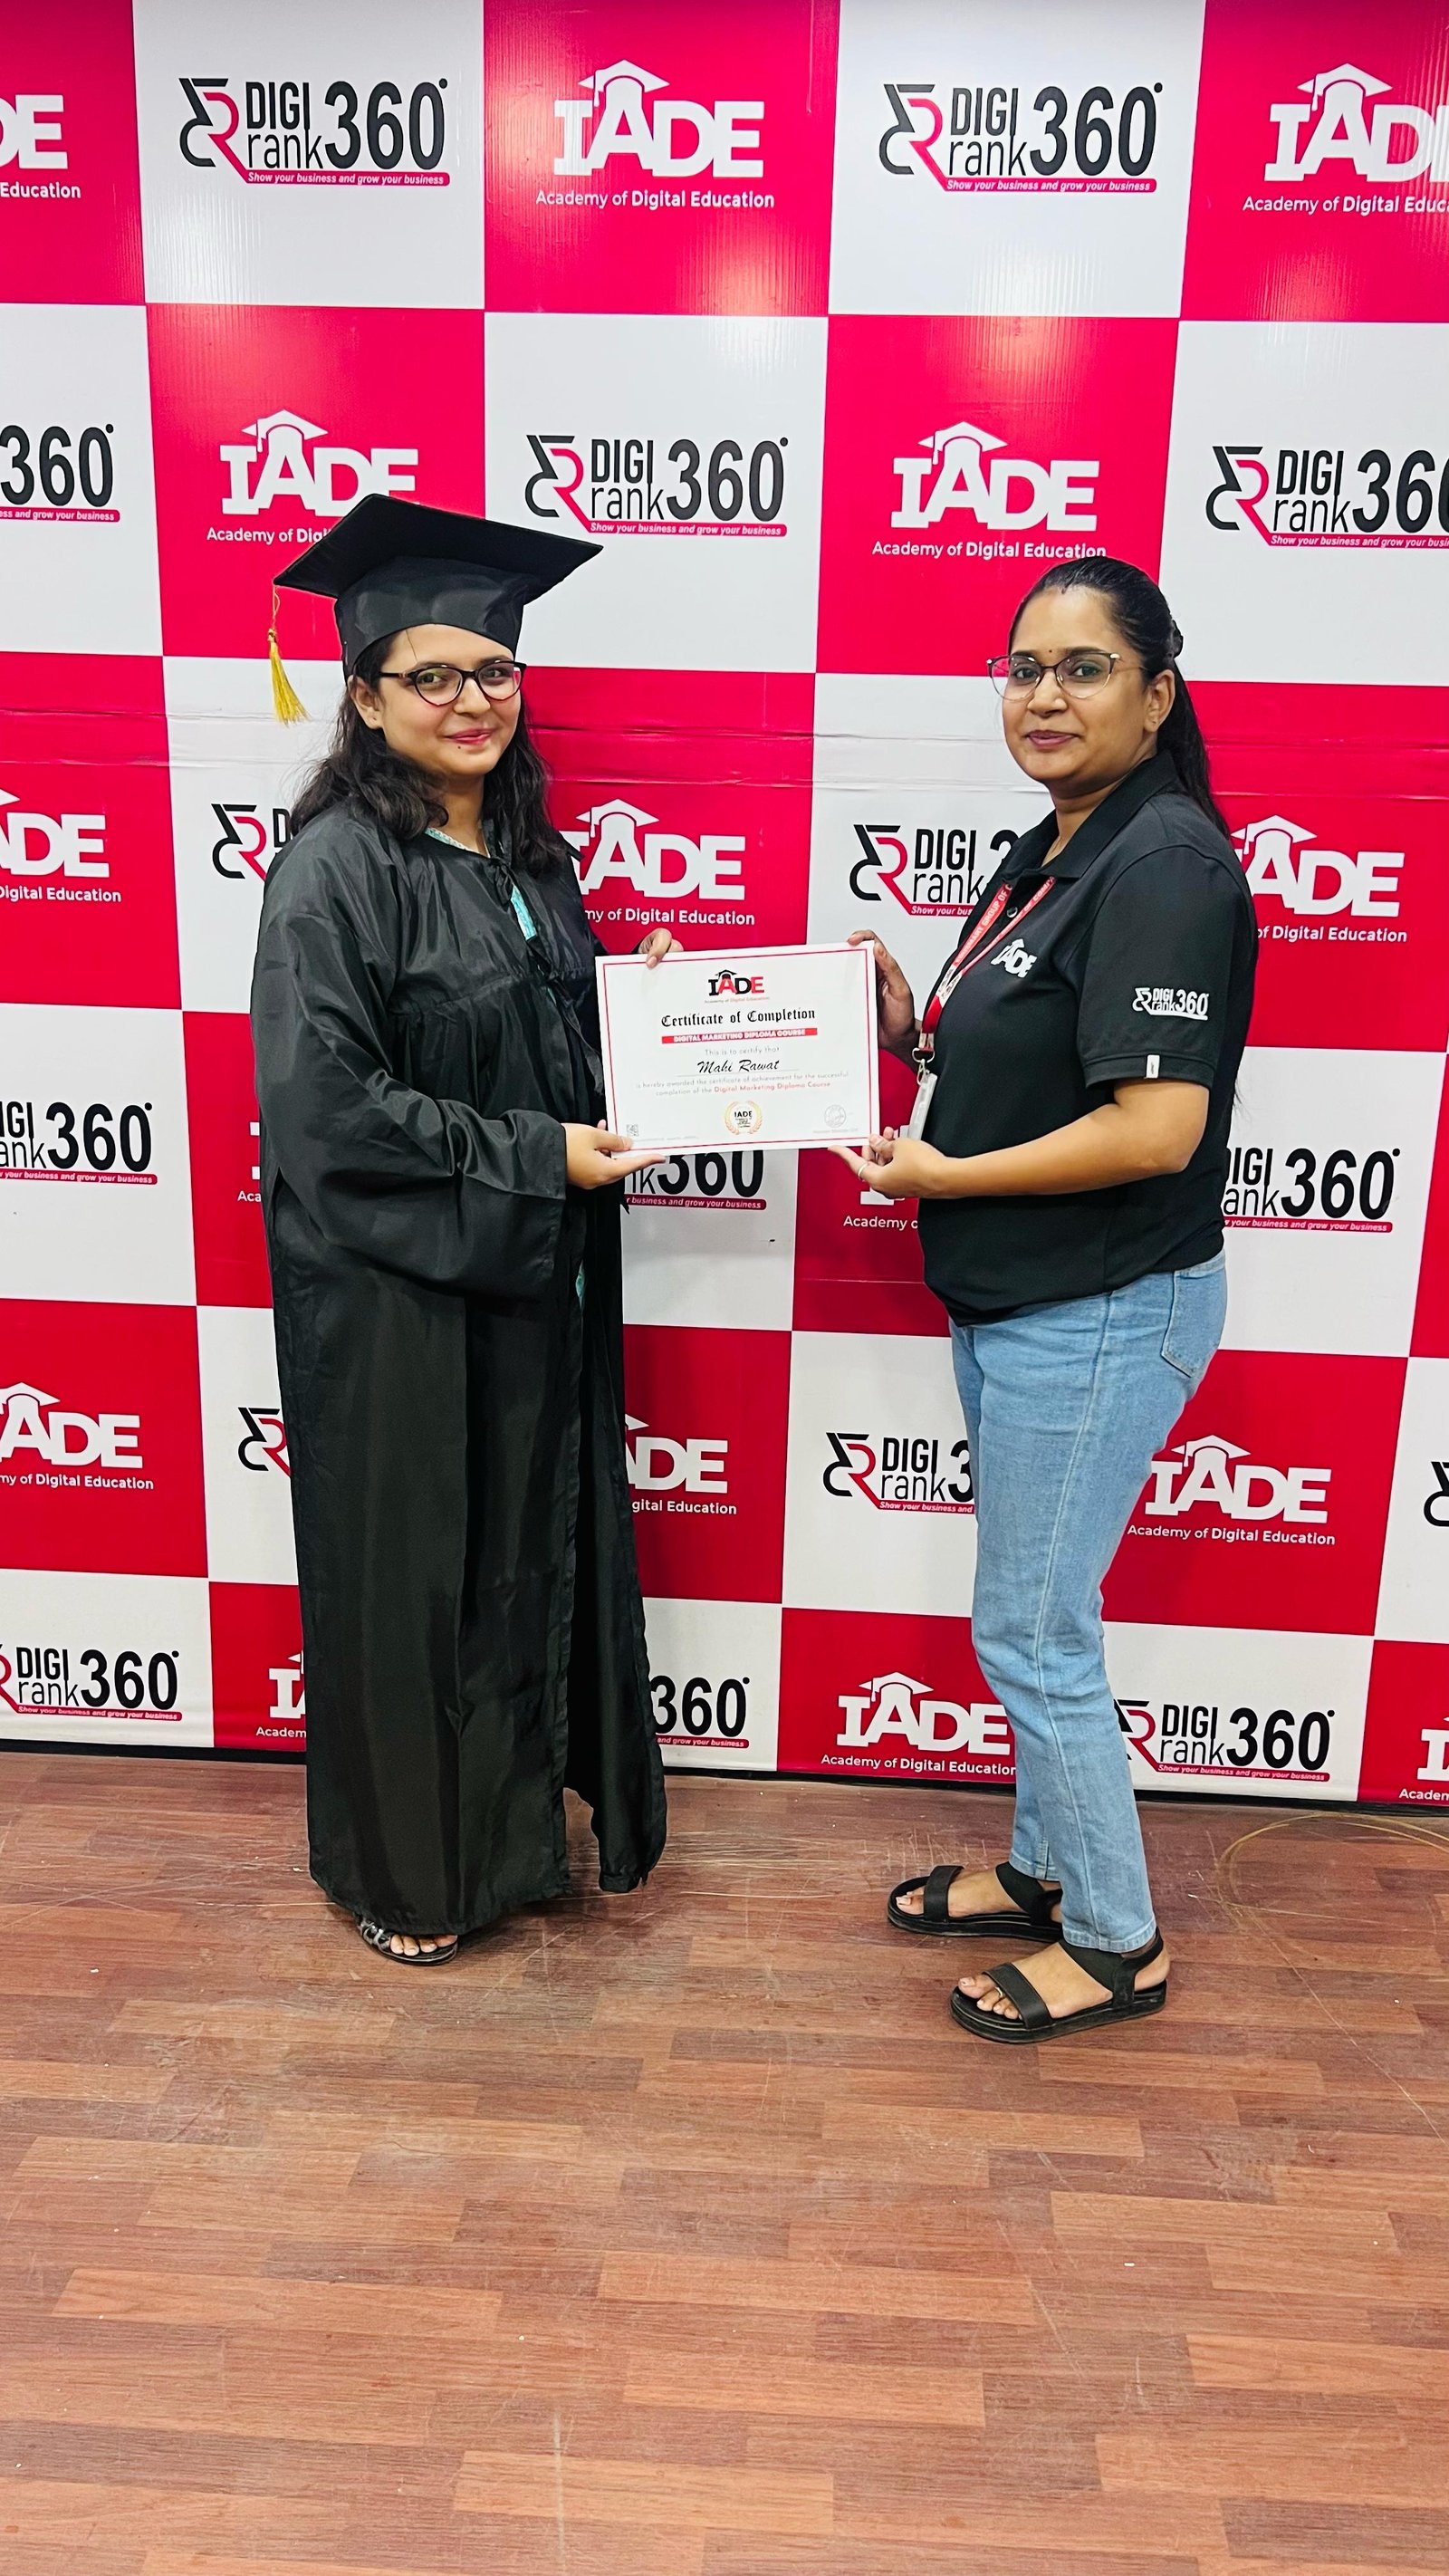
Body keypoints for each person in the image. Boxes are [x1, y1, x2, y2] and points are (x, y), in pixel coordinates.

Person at [835, 555, 1256, 2044]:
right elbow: (1028, 1062)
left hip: (1100, 1305)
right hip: (1027, 1301)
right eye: (1024, 668)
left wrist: (945, 1176)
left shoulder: (1164, 864)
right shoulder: (1062, 843)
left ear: (1158, 692)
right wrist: (907, 1029)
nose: (1045, 695)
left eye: (1084, 667)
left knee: (1032, 1632)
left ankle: (1120, 1941)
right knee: (1034, 1615)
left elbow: (1156, 1129)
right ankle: (1045, 1870)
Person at [251, 495, 674, 1964]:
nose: (471, 700)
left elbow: (543, 1056)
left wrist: (647, 1017)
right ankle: (407, 1878)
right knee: (417, 1577)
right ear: (365, 697)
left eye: (493, 670)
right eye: (431, 676)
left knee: (516, 1563)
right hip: (395, 1301)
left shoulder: (533, 862)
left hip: (527, 1284)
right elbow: (327, 1112)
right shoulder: (334, 871)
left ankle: (505, 1846)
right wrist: (535, 1153)